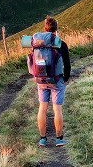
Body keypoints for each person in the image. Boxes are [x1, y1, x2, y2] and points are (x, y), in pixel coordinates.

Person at [28, 16, 72, 147]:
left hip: (41, 80)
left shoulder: (37, 43)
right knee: (57, 109)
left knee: (42, 108)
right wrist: (65, 78)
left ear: (45, 28)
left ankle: (43, 139)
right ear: (56, 29)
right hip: (57, 80)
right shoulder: (60, 43)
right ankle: (59, 139)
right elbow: (67, 64)